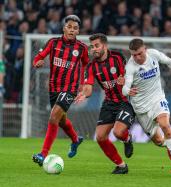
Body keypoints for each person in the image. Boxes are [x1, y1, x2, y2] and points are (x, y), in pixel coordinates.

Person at [122, 38, 171, 176]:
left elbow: (169, 62)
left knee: (165, 125)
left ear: (145, 49)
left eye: (139, 53)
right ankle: (170, 146)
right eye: (134, 55)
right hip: (141, 108)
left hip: (157, 99)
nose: (137, 57)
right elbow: (125, 87)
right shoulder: (130, 66)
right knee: (158, 141)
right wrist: (127, 91)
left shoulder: (154, 54)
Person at [32, 15, 89, 166]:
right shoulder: (53, 43)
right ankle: (76, 140)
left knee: (53, 118)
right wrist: (37, 62)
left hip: (70, 89)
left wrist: (83, 83)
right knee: (61, 120)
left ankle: (43, 154)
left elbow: (86, 65)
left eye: (75, 28)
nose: (71, 30)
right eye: (69, 27)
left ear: (78, 31)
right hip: (53, 88)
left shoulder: (82, 48)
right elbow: (39, 56)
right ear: (64, 28)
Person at [74, 33, 135, 174]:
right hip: (109, 102)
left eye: (97, 46)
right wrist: (84, 93)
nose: (94, 49)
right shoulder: (91, 67)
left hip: (126, 101)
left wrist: (124, 79)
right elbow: (88, 87)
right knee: (100, 137)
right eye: (92, 47)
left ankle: (127, 139)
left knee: (118, 132)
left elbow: (129, 75)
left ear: (105, 46)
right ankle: (121, 166)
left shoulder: (118, 58)